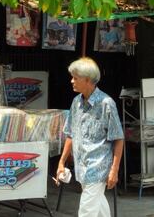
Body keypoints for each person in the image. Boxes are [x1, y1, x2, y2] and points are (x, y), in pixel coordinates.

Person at [56, 57, 124, 217]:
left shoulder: (106, 103)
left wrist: (114, 170)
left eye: (75, 78)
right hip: (82, 169)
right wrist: (61, 161)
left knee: (86, 212)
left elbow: (118, 138)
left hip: (98, 168)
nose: (72, 81)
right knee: (99, 209)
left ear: (87, 80)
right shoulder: (76, 103)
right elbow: (70, 134)